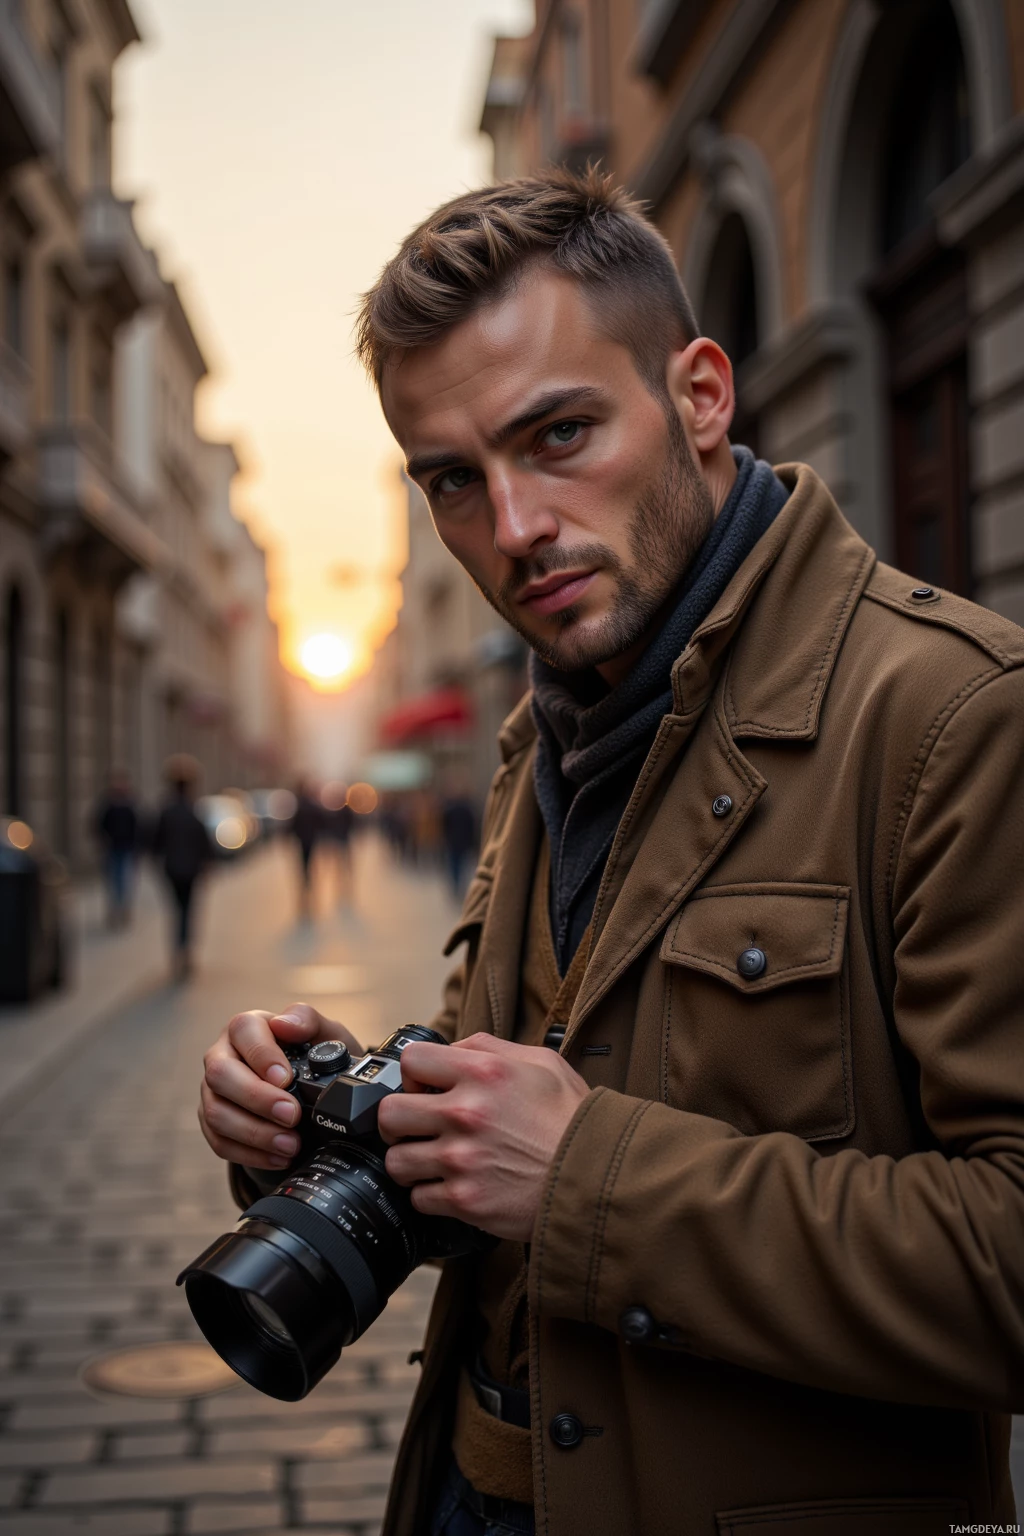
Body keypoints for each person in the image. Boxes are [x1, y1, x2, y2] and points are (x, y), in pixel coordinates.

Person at [197, 169, 1024, 1535]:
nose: (513, 529)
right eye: (453, 481)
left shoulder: (954, 716)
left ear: (699, 396)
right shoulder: (547, 731)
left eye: (560, 434)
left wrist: (588, 1178)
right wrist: (325, 1124)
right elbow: (508, 1143)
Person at [152, 755, 213, 981]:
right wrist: (206, 866)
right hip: (191, 870)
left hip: (172, 869)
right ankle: (185, 951)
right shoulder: (194, 810)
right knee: (187, 911)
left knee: (177, 911)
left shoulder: (166, 810)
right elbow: (204, 843)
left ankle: (178, 952)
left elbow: (155, 842)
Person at [93, 769, 138, 928]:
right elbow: (98, 824)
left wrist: (136, 846)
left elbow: (137, 827)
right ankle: (115, 909)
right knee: (113, 880)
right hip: (112, 848)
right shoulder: (108, 805)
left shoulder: (129, 805)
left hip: (126, 848)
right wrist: (102, 840)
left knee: (124, 879)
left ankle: (123, 908)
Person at [289, 778, 323, 916]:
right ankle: (310, 890)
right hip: (311, 840)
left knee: (304, 867)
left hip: (302, 841)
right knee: (310, 867)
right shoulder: (311, 805)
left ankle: (305, 891)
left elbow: (292, 825)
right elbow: (320, 823)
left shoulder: (298, 806)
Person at [440, 783, 477, 899]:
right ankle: (459, 885)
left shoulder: (450, 808)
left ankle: (456, 885)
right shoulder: (467, 809)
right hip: (463, 842)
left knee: (454, 865)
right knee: (461, 865)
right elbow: (472, 827)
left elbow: (445, 826)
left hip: (453, 842)